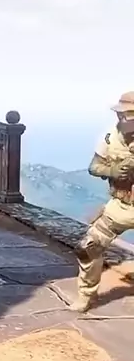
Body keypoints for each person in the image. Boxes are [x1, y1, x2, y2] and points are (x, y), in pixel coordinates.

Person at [71, 91, 134, 313]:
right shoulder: (110, 137)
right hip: (120, 206)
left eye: (128, 114)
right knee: (88, 247)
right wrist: (113, 170)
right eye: (120, 114)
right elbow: (94, 166)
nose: (122, 118)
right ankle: (86, 295)